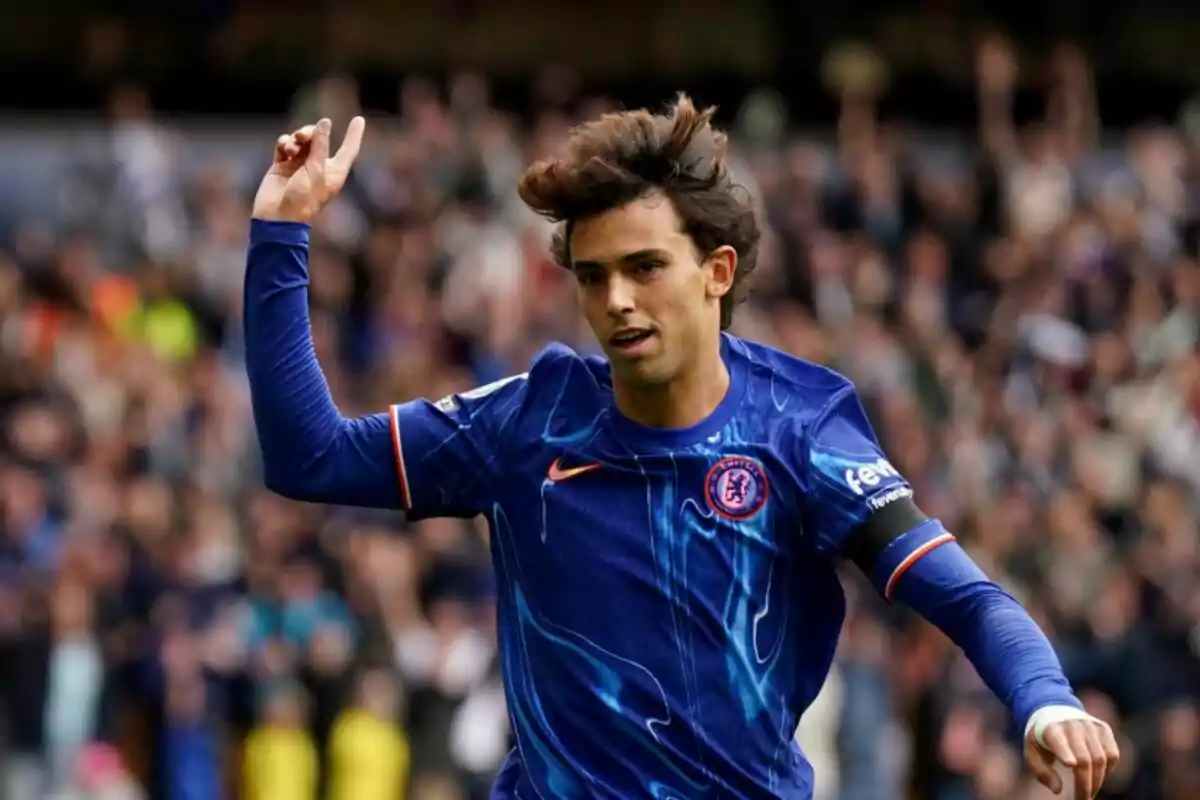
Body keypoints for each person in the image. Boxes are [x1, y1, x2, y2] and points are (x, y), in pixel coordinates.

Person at [243, 100, 1120, 799]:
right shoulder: (527, 422)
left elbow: (966, 598)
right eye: (593, 277)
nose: (618, 299)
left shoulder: (802, 431)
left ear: (719, 270)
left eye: (645, 267)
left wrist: (1043, 700)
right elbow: (308, 457)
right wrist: (282, 233)